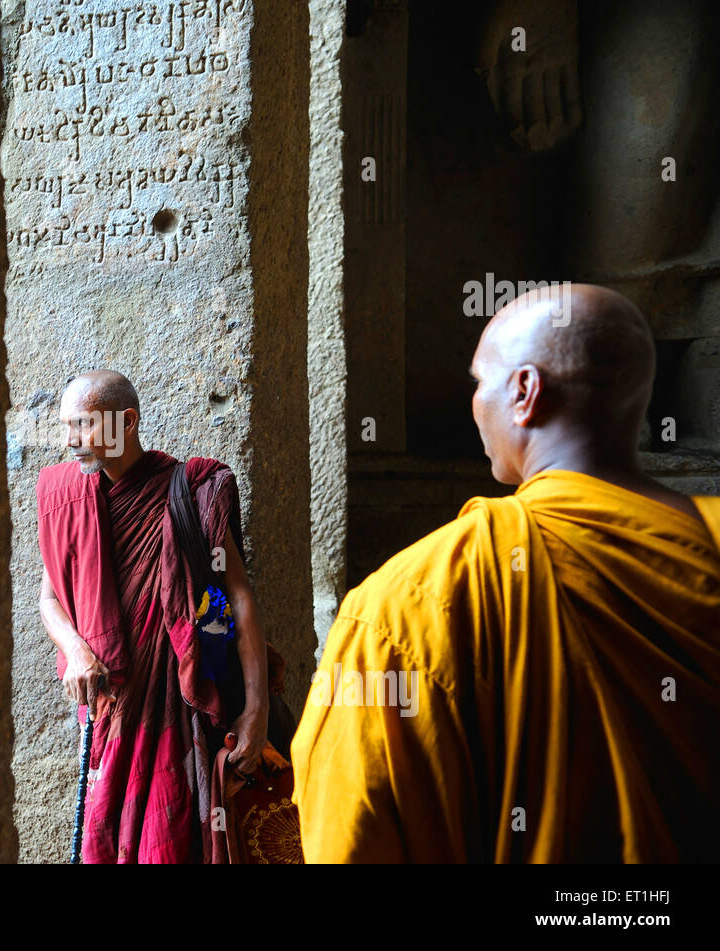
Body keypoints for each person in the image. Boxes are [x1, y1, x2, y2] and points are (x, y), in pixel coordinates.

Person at [291, 284, 720, 862]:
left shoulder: (412, 602)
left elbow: (354, 835)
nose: (474, 401)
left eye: (478, 382)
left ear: (524, 392)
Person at [37, 370, 271, 863]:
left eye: (83, 426)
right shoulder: (70, 501)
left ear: (128, 421)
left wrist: (256, 710)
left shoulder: (193, 491)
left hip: (177, 708)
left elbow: (239, 598)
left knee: (172, 839)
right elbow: (50, 598)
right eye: (65, 427)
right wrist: (76, 650)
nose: (70, 441)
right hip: (109, 711)